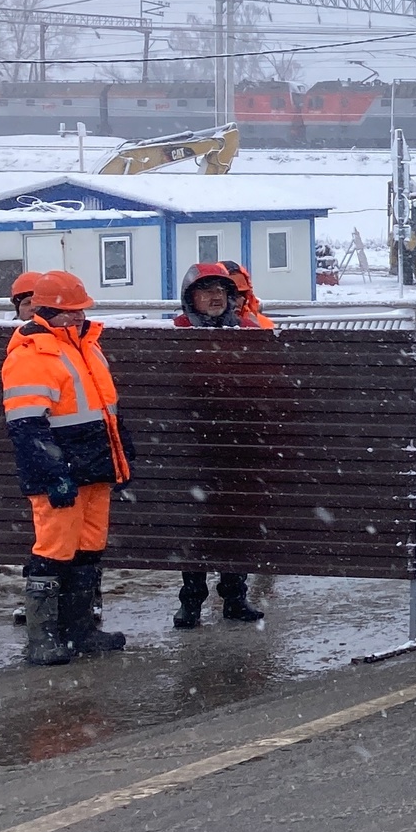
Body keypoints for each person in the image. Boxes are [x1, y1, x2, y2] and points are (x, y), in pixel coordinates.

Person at [2, 271, 130, 665]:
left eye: (79, 311)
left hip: (94, 470)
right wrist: (55, 474)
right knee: (53, 552)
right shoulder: (31, 355)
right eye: (67, 313)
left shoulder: (87, 348)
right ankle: (42, 639)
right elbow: (26, 426)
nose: (76, 319)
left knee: (89, 549)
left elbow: (108, 414)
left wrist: (122, 464)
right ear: (44, 312)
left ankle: (80, 632)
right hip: (62, 474)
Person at [167, 263, 266, 627]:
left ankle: (235, 597)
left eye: (221, 291)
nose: (214, 297)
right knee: (196, 525)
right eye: (206, 290)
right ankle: (191, 600)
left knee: (237, 524)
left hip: (240, 445)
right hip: (193, 447)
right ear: (190, 297)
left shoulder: (249, 331)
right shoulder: (175, 333)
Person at [219, 260, 275, 329]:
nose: (242, 299)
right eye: (233, 295)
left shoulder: (263, 324)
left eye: (243, 294)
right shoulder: (205, 327)